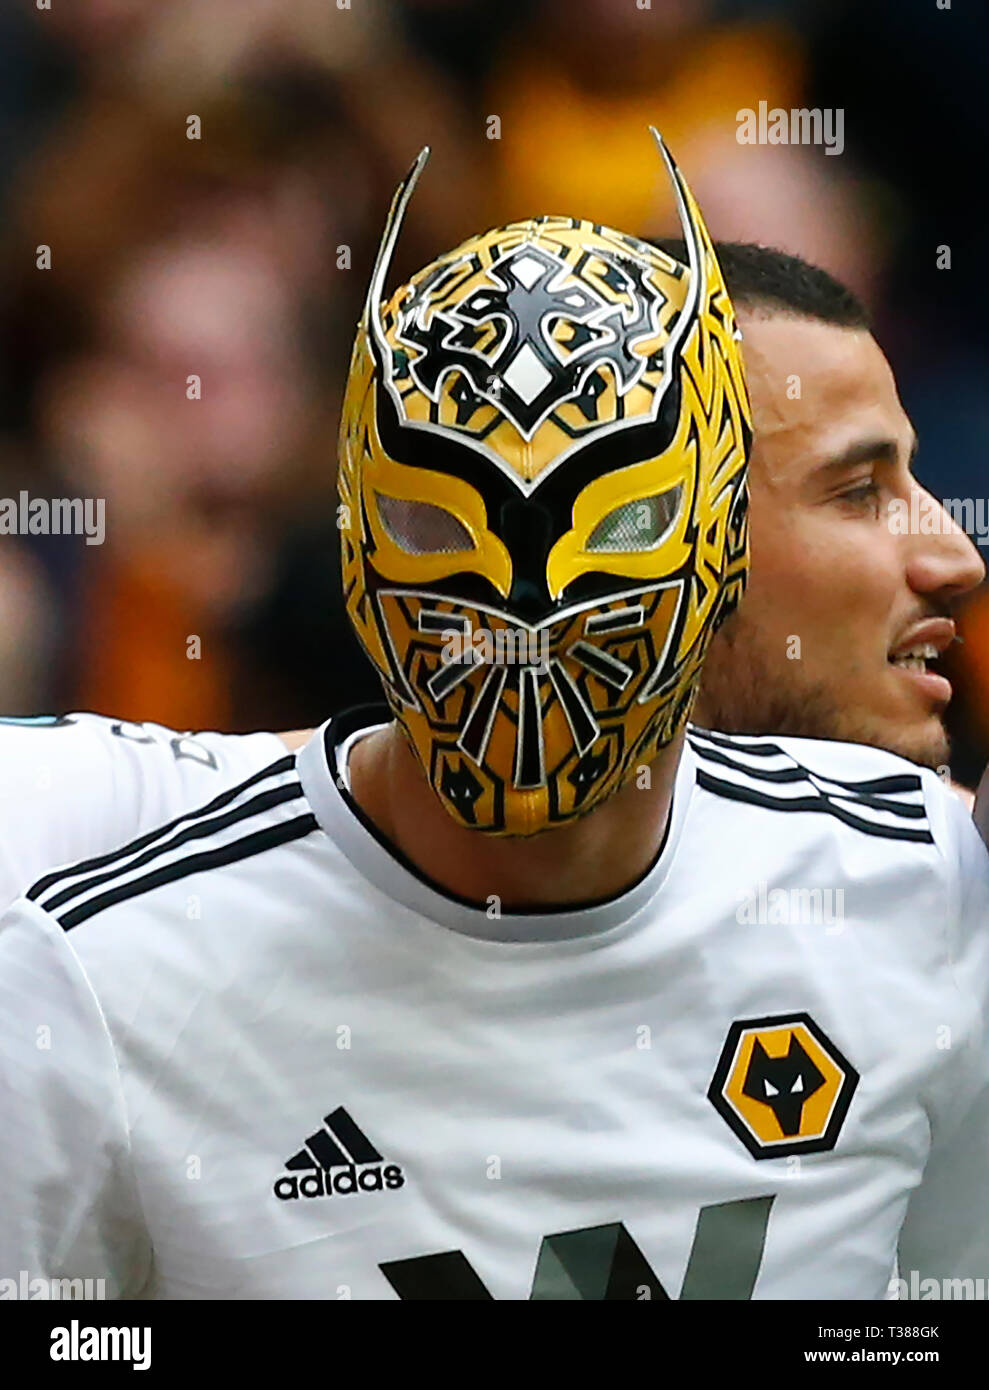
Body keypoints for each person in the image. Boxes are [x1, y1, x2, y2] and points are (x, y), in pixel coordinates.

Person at [3, 138, 989, 1300]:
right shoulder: (98, 938)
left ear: (716, 540)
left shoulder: (928, 891)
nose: (528, 610)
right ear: (353, 540)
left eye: (613, 524)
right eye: (443, 529)